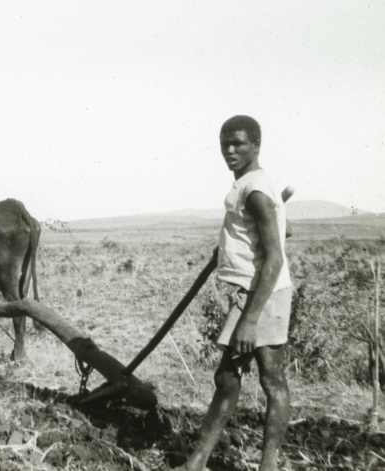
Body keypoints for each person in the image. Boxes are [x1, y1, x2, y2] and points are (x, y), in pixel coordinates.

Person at [175, 115, 292, 471]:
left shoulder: (255, 190)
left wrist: (249, 321)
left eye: (238, 143)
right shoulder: (251, 185)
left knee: (271, 382)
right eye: (224, 143)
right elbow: (282, 232)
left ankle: (267, 466)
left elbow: (274, 258)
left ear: (256, 146)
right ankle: (198, 462)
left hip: (265, 296)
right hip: (252, 291)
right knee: (227, 378)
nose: (229, 150)